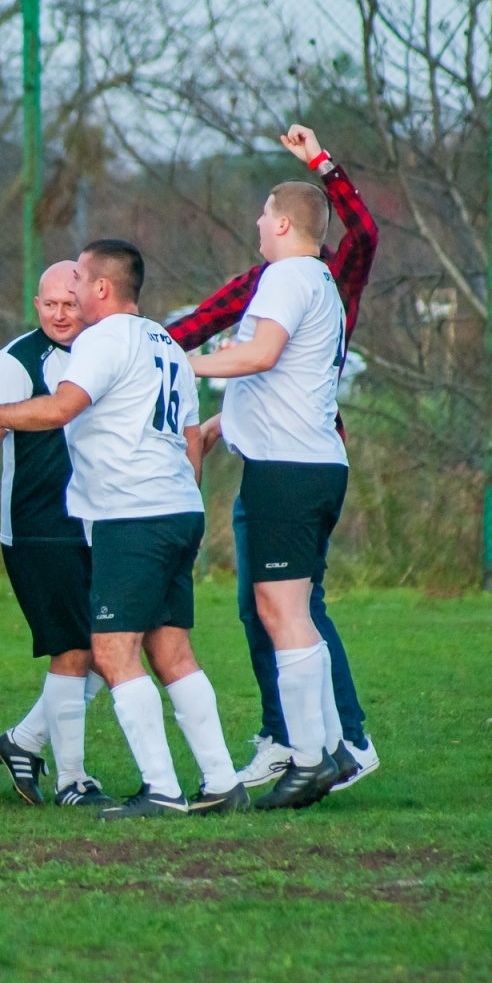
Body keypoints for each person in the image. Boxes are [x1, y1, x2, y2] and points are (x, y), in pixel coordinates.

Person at [0, 240, 244, 820]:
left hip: (131, 515)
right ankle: (222, 782)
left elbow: (58, 409)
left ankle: (162, 791)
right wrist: (179, 496)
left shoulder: (104, 338)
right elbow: (191, 436)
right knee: (172, 651)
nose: (70, 295)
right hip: (176, 508)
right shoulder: (165, 342)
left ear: (101, 288)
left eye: (79, 282)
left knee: (112, 652)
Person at [167, 125, 379, 791]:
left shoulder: (295, 276)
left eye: (264, 214)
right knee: (273, 607)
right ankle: (310, 746)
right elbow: (254, 361)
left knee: (288, 609)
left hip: (292, 466)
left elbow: (258, 357)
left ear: (284, 224)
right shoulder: (292, 281)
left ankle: (322, 751)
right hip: (291, 462)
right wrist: (217, 419)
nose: (257, 223)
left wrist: (174, 363)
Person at [0, 261, 114, 809]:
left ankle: (24, 741)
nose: (60, 314)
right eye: (50, 304)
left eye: (69, 303)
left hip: (104, 521)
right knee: (74, 649)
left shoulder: (108, 350)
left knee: (115, 645)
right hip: (41, 529)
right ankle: (73, 781)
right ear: (36, 305)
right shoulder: (17, 360)